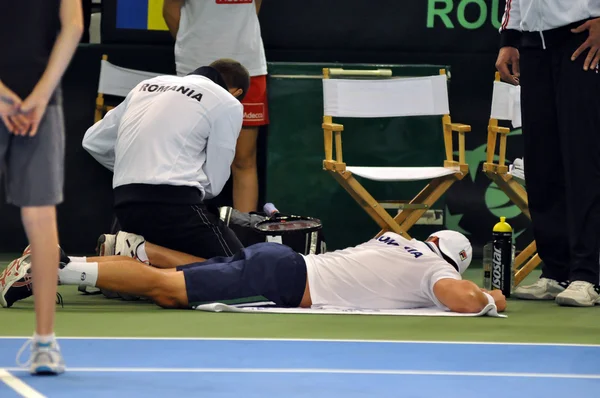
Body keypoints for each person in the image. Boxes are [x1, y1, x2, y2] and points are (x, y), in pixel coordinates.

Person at [2, 230, 507, 314]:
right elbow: (463, 300)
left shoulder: (393, 239)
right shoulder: (437, 270)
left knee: (174, 285)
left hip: (278, 260)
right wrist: (495, 297)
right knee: (169, 290)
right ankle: (53, 271)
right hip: (283, 280)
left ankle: (73, 261)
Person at [82, 59, 250, 260]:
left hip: (124, 201)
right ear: (237, 92)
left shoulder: (145, 86)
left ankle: (90, 264)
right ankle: (140, 252)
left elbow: (92, 141)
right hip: (175, 203)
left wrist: (132, 167)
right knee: (238, 269)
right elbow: (213, 185)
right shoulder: (227, 101)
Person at [495, 1, 600, 306]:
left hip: (583, 36)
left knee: (583, 159)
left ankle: (589, 275)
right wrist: (510, 38)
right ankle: (556, 271)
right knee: (542, 163)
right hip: (532, 43)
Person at [0, 0, 83, 374]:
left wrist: (41, 95)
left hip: (42, 103)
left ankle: (45, 341)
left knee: (40, 214)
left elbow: (73, 25)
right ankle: (45, 345)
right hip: (34, 100)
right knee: (40, 215)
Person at [163, 0, 269, 212]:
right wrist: (193, 45)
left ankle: (243, 234)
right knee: (189, 155)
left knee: (243, 158)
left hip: (248, 66)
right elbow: (170, 10)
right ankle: (187, 229)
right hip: (196, 67)